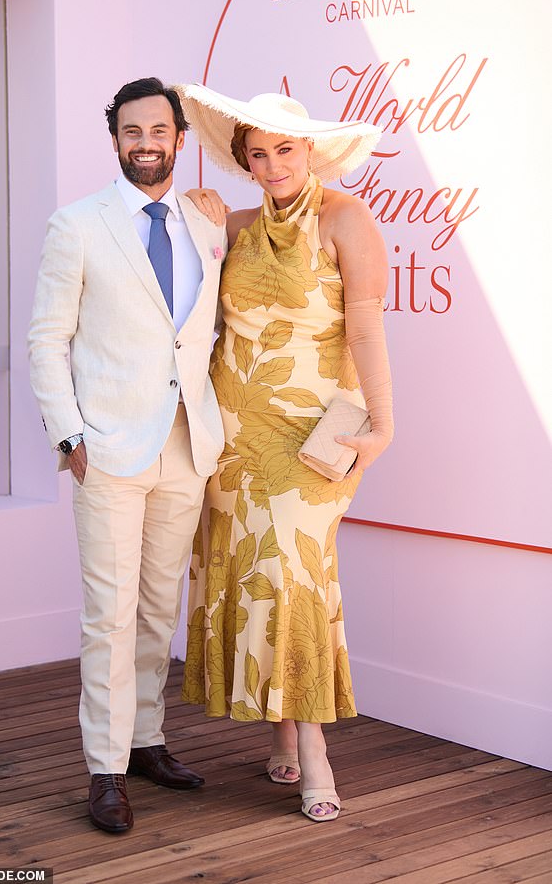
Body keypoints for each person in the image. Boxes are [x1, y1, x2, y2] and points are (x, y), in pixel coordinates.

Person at [176, 84, 393, 822]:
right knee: (256, 575)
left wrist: (384, 425)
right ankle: (283, 731)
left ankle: (317, 750)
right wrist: (200, 221)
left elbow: (365, 333)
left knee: (295, 575)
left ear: (310, 152)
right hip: (232, 431)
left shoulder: (346, 219)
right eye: (257, 153)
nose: (271, 166)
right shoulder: (232, 225)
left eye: (284, 150)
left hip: (313, 432)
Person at [28, 78, 227, 834]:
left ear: (180, 137)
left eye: (160, 130)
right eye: (132, 131)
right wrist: (69, 436)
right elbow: (47, 338)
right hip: (107, 451)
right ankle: (104, 768)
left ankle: (146, 739)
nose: (147, 143)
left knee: (156, 609)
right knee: (107, 617)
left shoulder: (206, 227)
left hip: (185, 444)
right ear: (115, 137)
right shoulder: (77, 225)